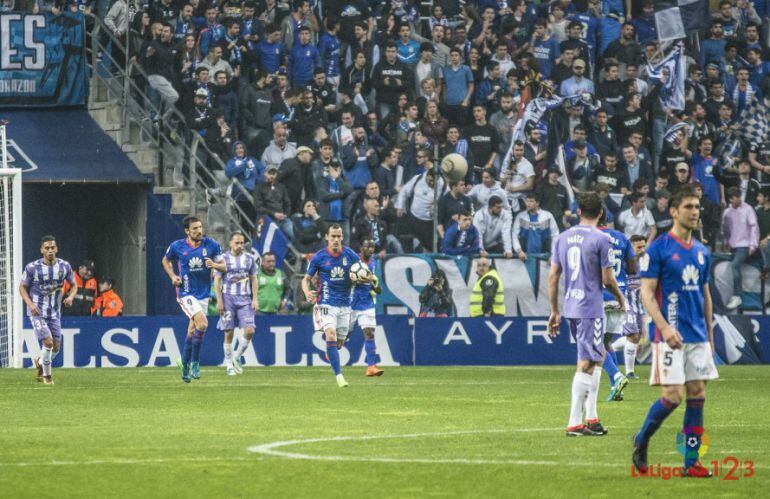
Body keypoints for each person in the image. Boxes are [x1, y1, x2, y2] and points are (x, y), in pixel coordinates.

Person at [633, 185, 719, 478]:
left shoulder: (702, 251)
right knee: (672, 397)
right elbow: (646, 293)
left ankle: (691, 462)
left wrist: (710, 336)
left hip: (697, 336)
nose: (695, 212)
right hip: (669, 335)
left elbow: (706, 296)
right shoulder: (658, 249)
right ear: (673, 212)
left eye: (697, 207)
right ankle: (642, 438)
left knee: (698, 395)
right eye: (688, 207)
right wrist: (664, 326)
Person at [548, 192, 625, 436]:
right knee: (588, 362)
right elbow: (607, 278)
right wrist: (621, 298)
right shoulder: (602, 239)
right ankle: (574, 422)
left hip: (571, 306)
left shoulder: (562, 238)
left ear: (579, 212)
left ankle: (591, 418)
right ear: (601, 213)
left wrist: (554, 311)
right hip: (591, 308)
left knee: (597, 357)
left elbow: (553, 276)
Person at [161, 216, 225, 383]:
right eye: (195, 228)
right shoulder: (177, 246)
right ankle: (195, 363)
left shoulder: (211, 244)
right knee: (203, 324)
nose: (199, 231)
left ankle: (184, 364)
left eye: (200, 227)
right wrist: (173, 276)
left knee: (192, 330)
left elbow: (224, 266)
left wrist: (215, 265)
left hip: (203, 294)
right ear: (187, 231)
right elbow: (165, 260)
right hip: (185, 292)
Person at [302, 224, 367, 388]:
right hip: (326, 304)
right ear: (327, 237)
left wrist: (366, 278)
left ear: (342, 238)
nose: (336, 239)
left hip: (345, 305)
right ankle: (339, 377)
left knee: (338, 343)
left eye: (339, 236)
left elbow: (364, 272)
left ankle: (331, 351)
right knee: (330, 334)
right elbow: (306, 280)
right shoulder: (319, 257)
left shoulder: (350, 255)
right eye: (333, 236)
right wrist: (307, 292)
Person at [20, 235, 77, 385]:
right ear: (41, 250)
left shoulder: (65, 266)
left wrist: (71, 297)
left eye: (52, 248)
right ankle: (47, 377)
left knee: (56, 348)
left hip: (54, 313)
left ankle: (39, 361)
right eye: (47, 248)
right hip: (37, 312)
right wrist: (30, 304)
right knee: (48, 342)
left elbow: (74, 285)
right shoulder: (32, 267)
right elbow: (22, 287)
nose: (50, 250)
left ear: (56, 249)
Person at [597, 219, 635, 403]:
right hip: (620, 294)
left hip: (600, 295)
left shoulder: (592, 237)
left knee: (593, 345)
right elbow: (633, 267)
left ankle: (617, 376)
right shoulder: (621, 237)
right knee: (605, 342)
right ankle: (615, 386)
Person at [214, 232, 258, 376]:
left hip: (245, 299)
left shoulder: (250, 259)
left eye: (242, 243)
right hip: (228, 298)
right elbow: (217, 280)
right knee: (229, 332)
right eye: (237, 243)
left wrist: (255, 299)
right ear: (230, 244)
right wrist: (219, 300)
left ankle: (236, 357)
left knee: (250, 330)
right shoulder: (223, 259)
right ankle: (228, 366)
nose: (240, 246)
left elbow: (254, 279)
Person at [348, 239, 385, 377]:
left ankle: (371, 367)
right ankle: (332, 347)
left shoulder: (374, 264)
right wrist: (362, 279)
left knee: (369, 333)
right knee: (345, 335)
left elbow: (377, 288)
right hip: (351, 303)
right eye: (367, 246)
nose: (370, 249)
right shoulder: (353, 260)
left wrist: (375, 286)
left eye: (373, 247)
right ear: (361, 248)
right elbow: (349, 278)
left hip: (367, 304)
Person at [721, 186, 760, 309]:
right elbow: (725, 229)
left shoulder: (748, 209)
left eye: (738, 198)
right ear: (730, 199)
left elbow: (754, 227)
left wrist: (753, 244)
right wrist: (725, 241)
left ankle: (737, 296)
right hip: (733, 246)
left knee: (734, 265)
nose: (737, 201)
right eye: (734, 199)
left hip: (745, 246)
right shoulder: (727, 212)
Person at [512, 194, 559, 262]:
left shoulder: (547, 216)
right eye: (527, 201)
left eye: (531, 201)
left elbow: (555, 235)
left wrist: (553, 254)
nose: (528, 203)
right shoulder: (520, 216)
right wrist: (519, 250)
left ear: (537, 203)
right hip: (524, 256)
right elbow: (514, 235)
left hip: (545, 256)